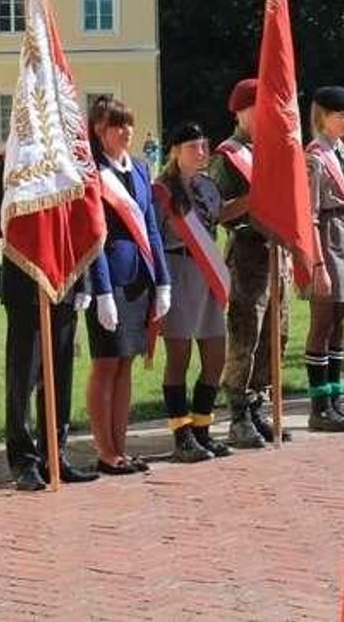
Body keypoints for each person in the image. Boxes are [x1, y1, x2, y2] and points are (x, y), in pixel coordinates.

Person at [0, 152, 100, 491]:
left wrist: (84, 282)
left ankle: (55, 454)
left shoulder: (67, 161)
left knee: (59, 374)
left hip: (63, 280)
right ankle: (24, 460)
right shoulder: (9, 160)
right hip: (25, 284)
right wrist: (27, 212)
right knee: (24, 376)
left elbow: (81, 224)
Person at [86, 96, 171, 474]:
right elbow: (94, 236)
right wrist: (102, 291)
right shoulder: (91, 173)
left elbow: (151, 227)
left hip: (139, 280)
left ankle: (121, 446)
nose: (125, 131)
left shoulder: (138, 168)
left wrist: (163, 281)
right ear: (98, 131)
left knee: (126, 364)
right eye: (116, 125)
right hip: (110, 280)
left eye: (128, 124)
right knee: (106, 363)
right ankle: (104, 450)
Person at [211, 77, 290, 448]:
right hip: (247, 250)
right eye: (261, 107)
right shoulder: (227, 156)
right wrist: (256, 195)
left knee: (278, 331)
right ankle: (238, 413)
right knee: (247, 333)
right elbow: (217, 210)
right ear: (242, 110)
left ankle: (259, 405)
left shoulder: (273, 150)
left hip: (277, 252)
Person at [153, 121, 231, 462]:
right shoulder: (161, 191)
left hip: (206, 273)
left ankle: (202, 427)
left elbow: (220, 217)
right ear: (175, 151)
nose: (201, 152)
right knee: (179, 357)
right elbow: (153, 236)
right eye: (193, 147)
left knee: (216, 354)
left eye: (203, 146)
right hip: (178, 269)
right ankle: (181, 434)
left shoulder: (208, 186)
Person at [302, 87, 344, 432]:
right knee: (322, 323)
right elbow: (309, 215)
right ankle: (319, 405)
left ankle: (336, 399)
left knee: (340, 321)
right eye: (341, 115)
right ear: (322, 116)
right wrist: (317, 264)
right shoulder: (315, 157)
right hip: (327, 241)